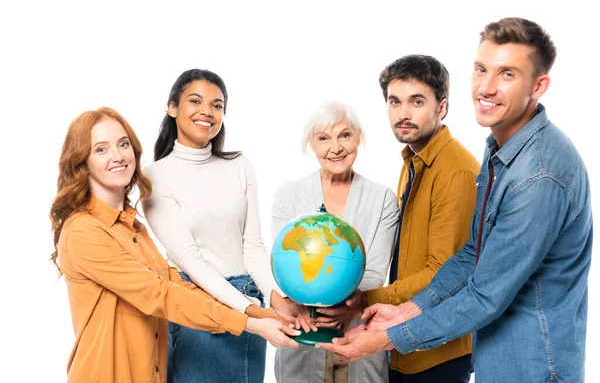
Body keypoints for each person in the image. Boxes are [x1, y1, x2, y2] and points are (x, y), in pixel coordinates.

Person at [318, 17, 593, 383]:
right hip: (499, 359)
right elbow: (473, 255)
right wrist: (409, 310)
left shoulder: (538, 175)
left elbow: (484, 295)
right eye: (481, 69)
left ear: (538, 85)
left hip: (534, 368)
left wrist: (387, 338)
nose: (487, 87)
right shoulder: (502, 151)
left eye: (507, 74)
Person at [49, 107, 299, 383]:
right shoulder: (83, 231)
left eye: (123, 144)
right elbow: (159, 294)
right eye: (101, 149)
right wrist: (250, 325)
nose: (117, 156)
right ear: (81, 163)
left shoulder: (132, 226)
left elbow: (175, 282)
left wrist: (257, 311)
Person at [319, 55, 479, 383]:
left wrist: (365, 300)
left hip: (438, 352)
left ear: (442, 107)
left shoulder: (456, 172)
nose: (403, 113)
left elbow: (445, 271)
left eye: (416, 101)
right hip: (403, 340)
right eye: (395, 101)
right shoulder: (412, 162)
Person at [141, 69, 292, 383]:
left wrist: (277, 299)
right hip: (197, 304)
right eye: (195, 101)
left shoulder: (240, 164)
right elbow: (192, 261)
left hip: (248, 296)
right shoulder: (156, 177)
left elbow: (252, 247)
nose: (207, 112)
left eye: (217, 105)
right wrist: (250, 312)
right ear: (172, 107)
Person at [271, 100, 399, 383]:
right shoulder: (288, 195)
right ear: (312, 145)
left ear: (358, 138)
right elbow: (279, 264)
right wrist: (294, 306)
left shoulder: (382, 199)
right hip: (302, 337)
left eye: (345, 135)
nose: (336, 147)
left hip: (358, 335)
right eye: (323, 138)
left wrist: (347, 309)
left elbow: (376, 273)